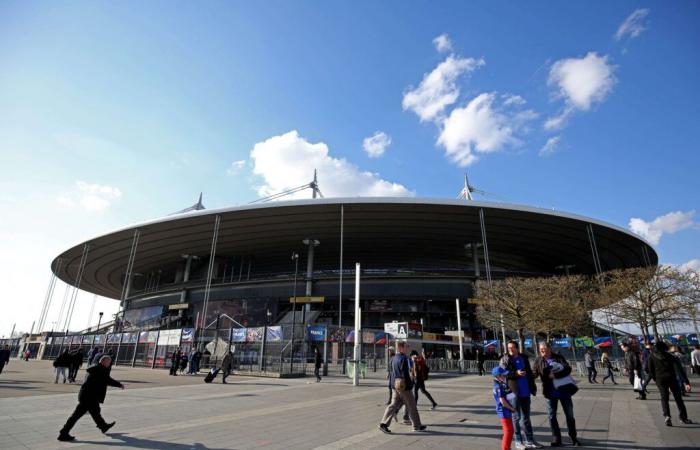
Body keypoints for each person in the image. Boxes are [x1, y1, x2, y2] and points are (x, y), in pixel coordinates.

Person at [57, 355, 124, 442]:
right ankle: (63, 433)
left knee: (95, 412)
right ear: (104, 361)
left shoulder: (94, 368)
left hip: (88, 396)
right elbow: (107, 380)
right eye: (109, 362)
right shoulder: (100, 370)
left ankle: (103, 426)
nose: (109, 364)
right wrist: (119, 384)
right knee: (76, 416)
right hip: (89, 397)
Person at [533, 342, 580, 447]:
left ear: (550, 348)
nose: (543, 352)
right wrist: (527, 376)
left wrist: (556, 375)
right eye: (541, 350)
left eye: (544, 349)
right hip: (550, 393)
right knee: (551, 416)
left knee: (570, 416)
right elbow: (534, 373)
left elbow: (568, 369)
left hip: (564, 391)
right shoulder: (538, 360)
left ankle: (573, 437)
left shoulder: (558, 357)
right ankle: (556, 438)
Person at [500, 341, 542, 449]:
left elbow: (528, 372)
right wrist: (516, 373)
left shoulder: (524, 358)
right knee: (516, 417)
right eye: (509, 348)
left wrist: (533, 378)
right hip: (513, 393)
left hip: (525, 391)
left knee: (526, 418)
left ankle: (529, 440)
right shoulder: (505, 359)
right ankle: (518, 441)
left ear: (517, 348)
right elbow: (503, 374)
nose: (511, 350)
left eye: (513, 348)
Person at [378, 341, 426, 434]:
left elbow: (391, 373)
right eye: (406, 347)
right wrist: (410, 385)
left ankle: (383, 424)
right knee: (412, 405)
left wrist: (392, 385)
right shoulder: (404, 359)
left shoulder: (393, 358)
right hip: (404, 386)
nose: (408, 348)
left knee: (393, 405)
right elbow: (405, 375)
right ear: (400, 348)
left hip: (395, 385)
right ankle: (417, 426)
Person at [647, 341, 693, 427]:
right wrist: (686, 382)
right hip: (672, 378)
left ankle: (667, 416)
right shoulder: (671, 356)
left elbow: (650, 370)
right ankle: (683, 417)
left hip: (660, 379)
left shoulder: (651, 356)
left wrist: (656, 380)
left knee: (664, 398)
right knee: (678, 398)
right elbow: (679, 370)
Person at [493, 366, 517, 450]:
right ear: (498, 376)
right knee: (509, 431)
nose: (505, 376)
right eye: (503, 375)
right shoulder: (499, 386)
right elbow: (502, 401)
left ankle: (507, 447)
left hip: (505, 410)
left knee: (509, 431)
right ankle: (505, 448)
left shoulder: (500, 384)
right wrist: (511, 408)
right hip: (503, 410)